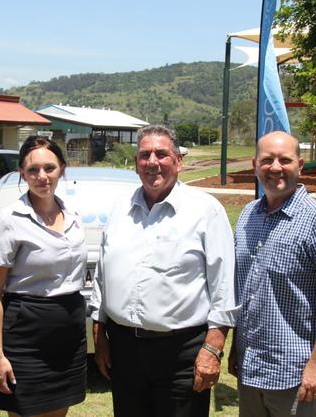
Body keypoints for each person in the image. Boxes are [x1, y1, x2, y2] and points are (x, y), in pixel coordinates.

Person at [89, 125, 237, 417]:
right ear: (136, 164)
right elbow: (103, 276)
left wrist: (213, 348)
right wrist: (100, 330)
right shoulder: (121, 209)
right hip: (124, 349)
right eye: (144, 155)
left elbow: (224, 285)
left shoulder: (205, 211)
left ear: (178, 161)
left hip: (181, 353)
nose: (152, 161)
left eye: (161, 154)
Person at [229, 131, 316, 417]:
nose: (275, 168)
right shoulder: (248, 216)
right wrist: (237, 346)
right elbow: (245, 288)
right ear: (254, 163)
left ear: (300, 164)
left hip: (296, 374)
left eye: (284, 160)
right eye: (267, 160)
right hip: (251, 367)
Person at [0, 136, 87, 417]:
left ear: (62, 169)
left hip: (69, 333)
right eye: (33, 170)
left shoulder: (73, 215)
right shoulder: (8, 220)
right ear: (22, 173)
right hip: (26, 335)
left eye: (49, 168)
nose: (42, 177)